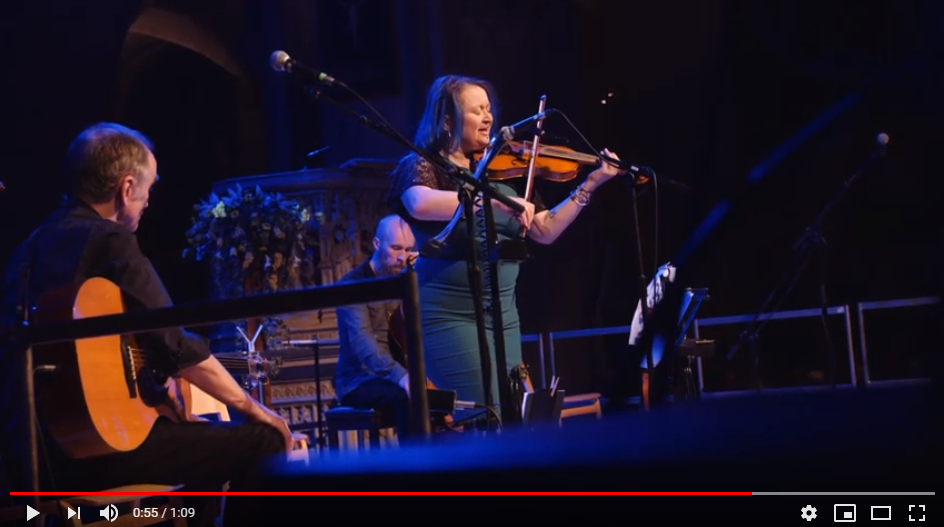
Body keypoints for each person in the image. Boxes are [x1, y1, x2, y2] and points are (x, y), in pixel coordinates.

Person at [0, 122, 292, 526]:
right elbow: (172, 339)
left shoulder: (28, 247)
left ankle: (176, 516)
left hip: (22, 455)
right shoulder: (109, 240)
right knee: (263, 441)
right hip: (85, 456)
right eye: (148, 190)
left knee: (191, 437)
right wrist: (250, 405)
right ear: (126, 187)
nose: (148, 201)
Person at [386, 75, 621, 409]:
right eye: (476, 110)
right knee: (484, 409)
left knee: (512, 406)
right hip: (448, 312)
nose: (488, 117)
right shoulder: (424, 164)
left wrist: (591, 184)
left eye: (488, 108)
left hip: (503, 311)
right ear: (448, 120)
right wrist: (492, 200)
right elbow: (419, 203)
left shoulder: (499, 170)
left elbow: (545, 230)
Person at [333, 214, 417, 438]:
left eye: (409, 250)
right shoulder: (352, 284)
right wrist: (402, 376)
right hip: (359, 380)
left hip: (397, 374)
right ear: (377, 244)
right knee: (406, 396)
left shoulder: (406, 279)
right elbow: (363, 343)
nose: (403, 257)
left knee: (442, 395)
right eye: (396, 248)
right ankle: (417, 466)